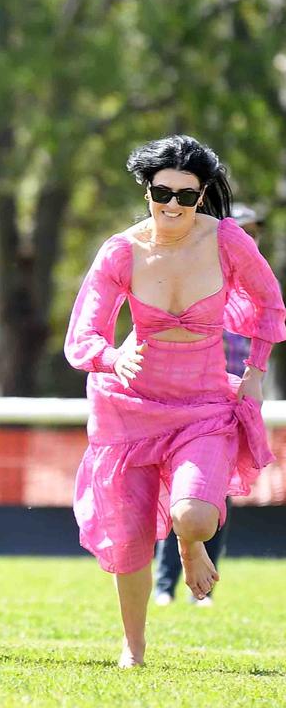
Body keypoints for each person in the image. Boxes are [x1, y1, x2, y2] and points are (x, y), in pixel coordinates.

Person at [65, 135, 285, 667]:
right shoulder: (121, 250)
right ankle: (133, 649)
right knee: (133, 538)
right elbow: (83, 335)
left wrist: (254, 373)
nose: (172, 205)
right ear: (146, 191)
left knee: (195, 516)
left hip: (205, 404)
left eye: (186, 197)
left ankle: (189, 546)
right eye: (162, 192)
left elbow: (269, 303)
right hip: (131, 406)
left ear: (202, 195)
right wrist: (113, 357)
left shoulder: (227, 241)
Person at [152, 203, 264, 608]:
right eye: (243, 229)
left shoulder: (256, 287)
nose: (248, 238)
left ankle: (205, 589)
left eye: (253, 230)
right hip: (190, 404)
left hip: (230, 410)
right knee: (180, 493)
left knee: (217, 502)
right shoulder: (201, 277)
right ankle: (164, 584)